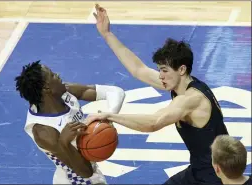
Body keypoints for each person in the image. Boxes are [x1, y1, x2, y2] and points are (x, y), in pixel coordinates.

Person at [86, 4, 230, 184]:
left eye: (164, 70)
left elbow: (153, 123)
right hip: (200, 169)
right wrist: (107, 34)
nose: (160, 76)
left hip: (216, 177)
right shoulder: (180, 84)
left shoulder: (191, 99)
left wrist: (111, 116)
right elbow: (138, 69)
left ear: (182, 69)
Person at [14, 60, 125, 185]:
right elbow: (85, 172)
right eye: (52, 75)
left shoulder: (63, 92)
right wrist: (64, 142)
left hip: (92, 173)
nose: (58, 75)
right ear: (46, 88)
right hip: (77, 180)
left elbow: (116, 92)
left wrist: (108, 115)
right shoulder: (44, 131)